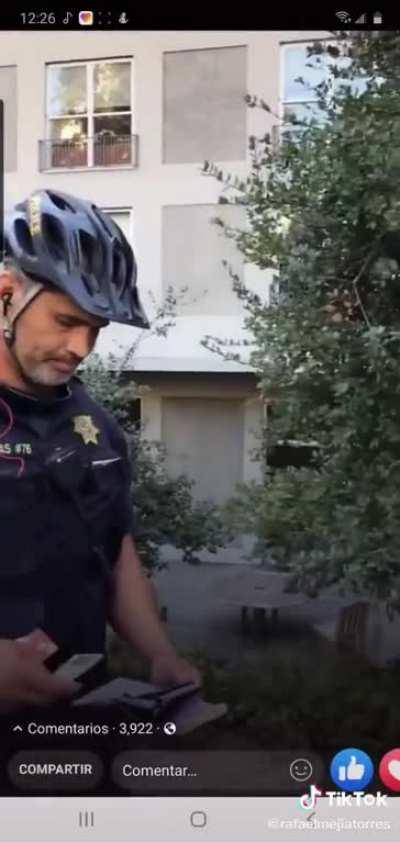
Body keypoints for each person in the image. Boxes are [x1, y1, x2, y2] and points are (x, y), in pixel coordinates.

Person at [0, 189, 200, 711]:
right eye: (67, 322)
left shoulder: (96, 427)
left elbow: (114, 550)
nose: (82, 349)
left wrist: (160, 654)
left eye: (95, 329)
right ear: (5, 296)